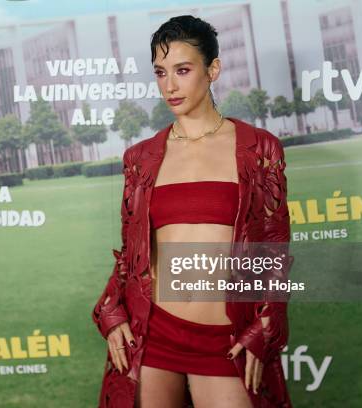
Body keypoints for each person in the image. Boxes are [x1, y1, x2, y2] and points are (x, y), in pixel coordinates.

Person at [92, 15, 293, 408]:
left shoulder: (259, 149)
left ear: (212, 69)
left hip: (224, 341)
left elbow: (273, 253)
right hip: (153, 335)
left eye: (182, 70)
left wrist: (263, 328)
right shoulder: (141, 158)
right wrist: (110, 311)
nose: (170, 85)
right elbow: (133, 255)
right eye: (160, 72)